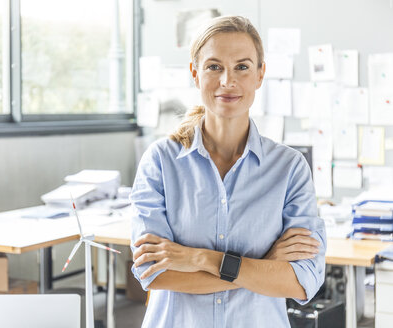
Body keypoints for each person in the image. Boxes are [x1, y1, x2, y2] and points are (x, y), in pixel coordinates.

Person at [130, 15, 326, 327]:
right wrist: (262, 267)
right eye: (214, 66)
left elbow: (301, 280)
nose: (227, 81)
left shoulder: (289, 168)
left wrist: (199, 259)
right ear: (195, 73)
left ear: (260, 75)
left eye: (242, 67)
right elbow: (155, 273)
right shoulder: (160, 161)